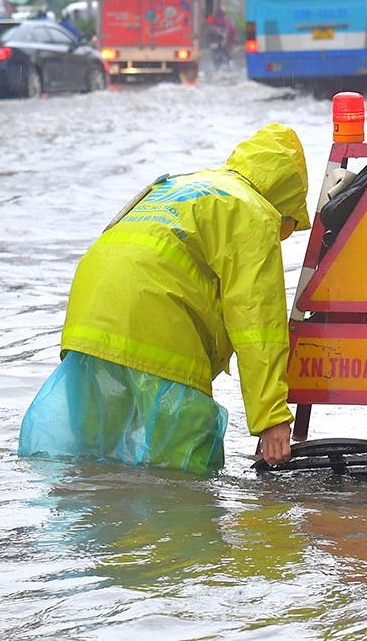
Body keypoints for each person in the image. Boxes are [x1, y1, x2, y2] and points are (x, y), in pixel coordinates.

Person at [18, 124, 312, 474]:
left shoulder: (177, 185)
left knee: (93, 464)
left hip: (88, 325)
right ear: (284, 202)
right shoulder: (252, 211)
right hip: (155, 324)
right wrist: (271, 418)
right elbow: (256, 324)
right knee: (185, 475)